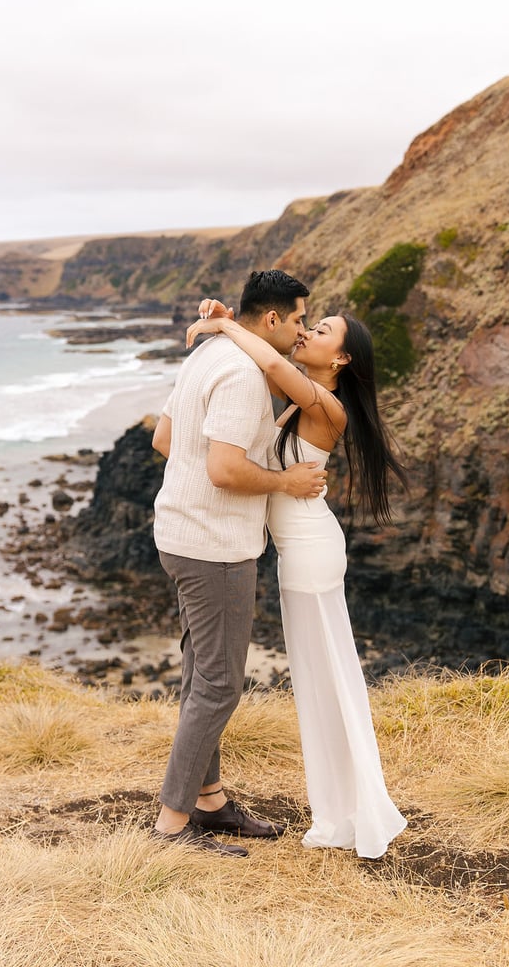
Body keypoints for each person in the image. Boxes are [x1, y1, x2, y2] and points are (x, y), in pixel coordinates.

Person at [187, 299, 408, 859]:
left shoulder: (327, 406)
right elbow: (263, 377)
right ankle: (341, 808)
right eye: (308, 324)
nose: (307, 333)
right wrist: (228, 318)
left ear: (341, 360)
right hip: (297, 553)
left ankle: (358, 810)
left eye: (323, 330)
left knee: (328, 679)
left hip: (310, 552)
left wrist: (224, 325)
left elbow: (272, 363)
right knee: (317, 682)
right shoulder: (296, 405)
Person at [151, 269, 328, 858]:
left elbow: (165, 442)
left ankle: (209, 800)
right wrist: (285, 481)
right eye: (301, 319)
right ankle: (173, 827)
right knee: (221, 683)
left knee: (202, 672)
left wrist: (206, 467)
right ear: (272, 318)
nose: (303, 330)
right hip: (215, 549)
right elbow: (225, 470)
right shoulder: (243, 375)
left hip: (178, 533)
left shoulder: (206, 354)